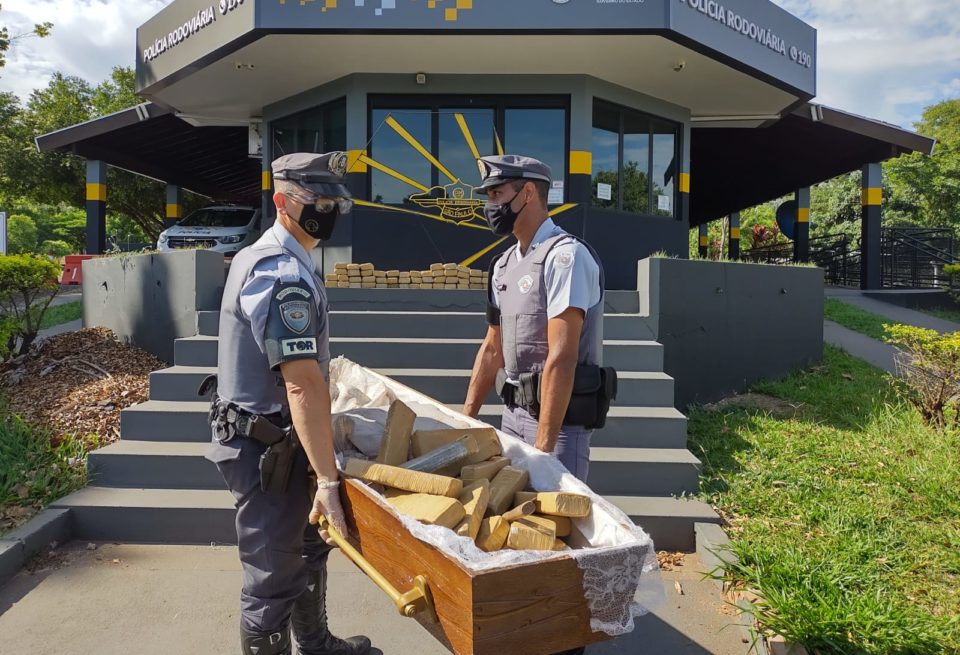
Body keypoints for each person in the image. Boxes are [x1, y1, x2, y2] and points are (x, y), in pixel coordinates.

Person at [204, 152, 377, 655]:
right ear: (282, 202)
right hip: (265, 451)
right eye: (315, 201)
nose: (327, 211)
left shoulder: (279, 258)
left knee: (308, 546)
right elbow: (300, 383)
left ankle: (316, 644)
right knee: (272, 577)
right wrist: (328, 481)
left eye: (333, 202)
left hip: (281, 438)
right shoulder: (281, 274)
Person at [463, 155, 610, 655]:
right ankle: (529, 634)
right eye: (488, 195)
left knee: (560, 538)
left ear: (528, 193)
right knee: (519, 532)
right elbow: (491, 349)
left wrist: (545, 449)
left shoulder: (566, 257)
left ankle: (566, 643)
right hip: (513, 419)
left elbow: (562, 356)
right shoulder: (503, 264)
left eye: (496, 194)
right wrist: (465, 418)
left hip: (558, 425)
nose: (490, 204)